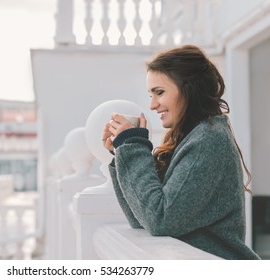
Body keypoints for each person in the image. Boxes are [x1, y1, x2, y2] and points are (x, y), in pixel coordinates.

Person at [102, 45, 260, 260]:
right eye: (151, 94)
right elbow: (141, 217)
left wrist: (132, 146)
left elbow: (161, 220)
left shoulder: (207, 140)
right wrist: (121, 152)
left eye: (159, 92)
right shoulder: (191, 138)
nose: (152, 105)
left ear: (189, 89)